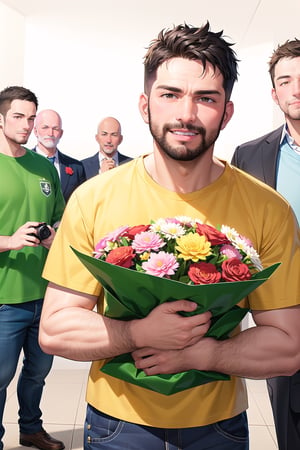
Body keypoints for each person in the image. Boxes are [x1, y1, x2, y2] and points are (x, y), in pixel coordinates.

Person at [39, 23, 300, 450]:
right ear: (145, 105)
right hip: (117, 422)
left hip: (218, 425)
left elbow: (288, 347)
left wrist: (206, 355)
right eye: (170, 94)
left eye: (206, 98)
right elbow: (54, 328)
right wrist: (137, 333)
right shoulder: (93, 199)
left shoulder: (268, 210)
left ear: (227, 112)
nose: (186, 113)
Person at [231, 39, 300, 450]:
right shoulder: (251, 156)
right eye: (285, 81)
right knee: (290, 421)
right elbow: (238, 239)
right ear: (274, 94)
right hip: (281, 311)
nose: (297, 89)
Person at [0, 87, 65, 450]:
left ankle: (31, 429)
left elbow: (61, 220)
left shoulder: (44, 167)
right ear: (1, 119)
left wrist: (53, 237)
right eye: (18, 117)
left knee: (38, 373)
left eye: (31, 117)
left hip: (46, 294)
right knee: (0, 377)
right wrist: (9, 240)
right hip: (5, 296)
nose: (27, 125)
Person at [33, 109, 86, 202]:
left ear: (61, 133)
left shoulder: (76, 167)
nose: (50, 133)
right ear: (35, 131)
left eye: (55, 128)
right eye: (45, 127)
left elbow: (82, 202)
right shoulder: (23, 163)